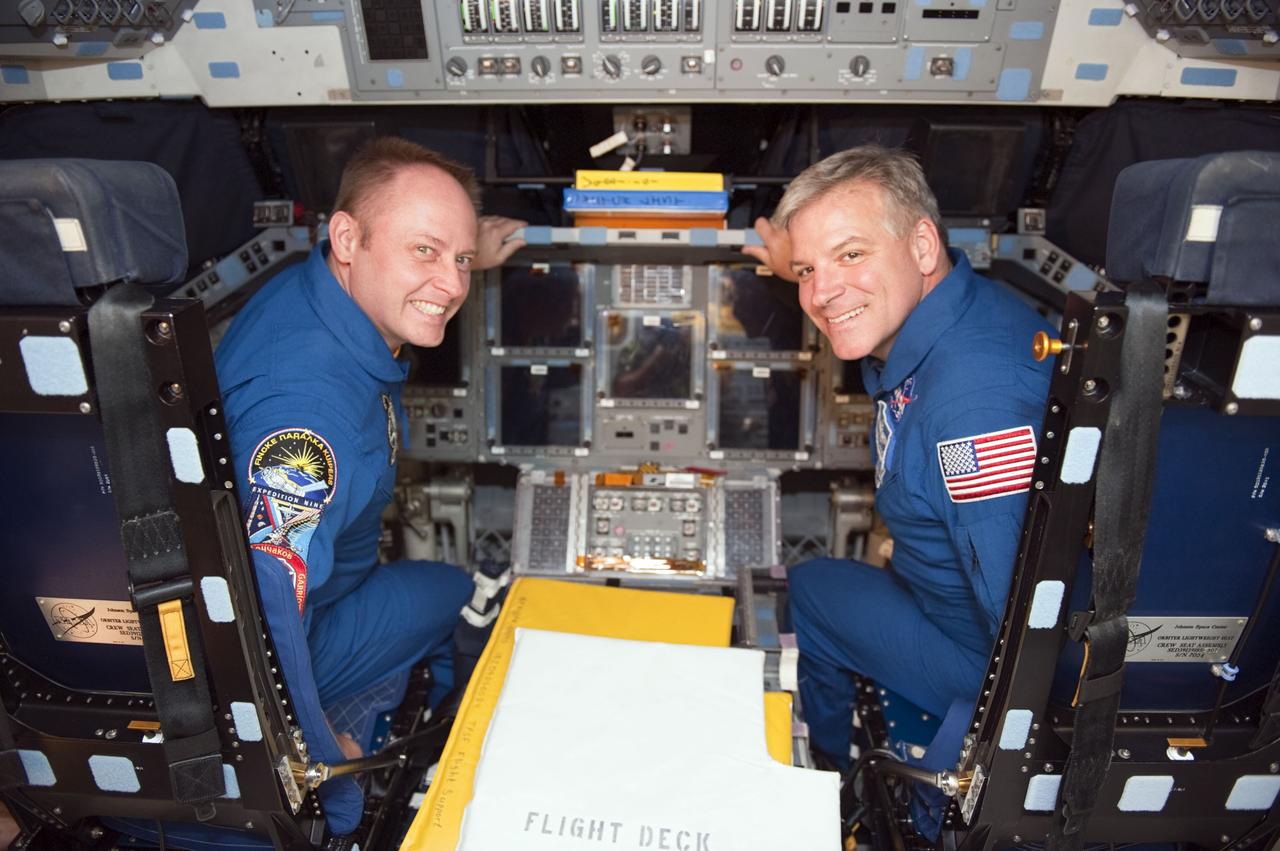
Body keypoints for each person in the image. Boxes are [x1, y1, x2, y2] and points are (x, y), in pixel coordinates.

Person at [214, 137, 524, 830]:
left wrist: (451, 252)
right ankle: (442, 776)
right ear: (347, 237)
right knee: (463, 595)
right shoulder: (306, 417)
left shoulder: (316, 287)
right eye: (425, 250)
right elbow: (268, 607)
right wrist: (328, 777)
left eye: (462, 259)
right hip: (296, 626)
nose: (450, 283)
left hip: (327, 585)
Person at [744, 144, 1055, 771]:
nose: (822, 292)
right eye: (809, 270)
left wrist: (971, 767)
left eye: (851, 254)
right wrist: (803, 264)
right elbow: (851, 300)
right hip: (936, 592)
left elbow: (1024, 631)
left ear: (921, 247)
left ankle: (830, 774)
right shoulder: (961, 309)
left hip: (984, 655)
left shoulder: (972, 416)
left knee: (805, 593)